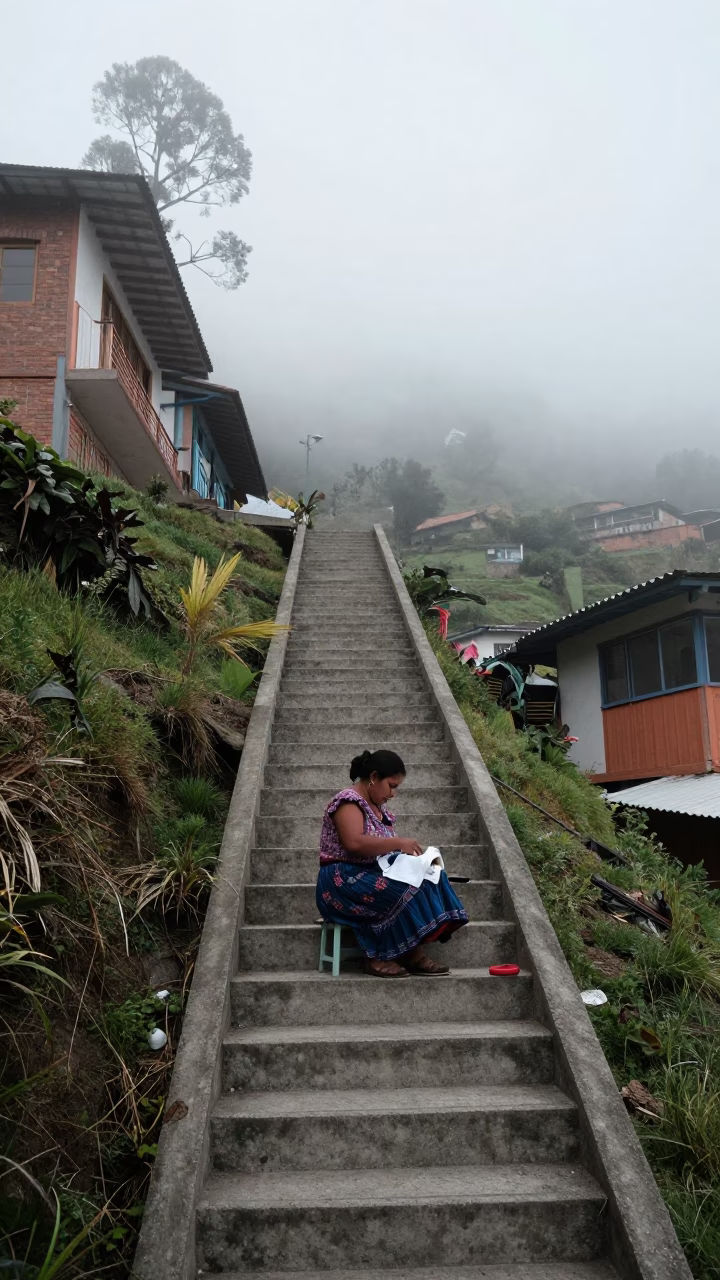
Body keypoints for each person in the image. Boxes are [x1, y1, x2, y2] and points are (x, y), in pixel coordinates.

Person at [316, 749, 469, 978]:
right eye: (392, 785)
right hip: (342, 880)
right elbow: (353, 843)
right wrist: (397, 844)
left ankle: (412, 953)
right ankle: (379, 957)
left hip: (372, 873)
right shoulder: (348, 801)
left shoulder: (380, 810)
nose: (393, 793)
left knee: (429, 878)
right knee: (401, 889)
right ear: (374, 777)